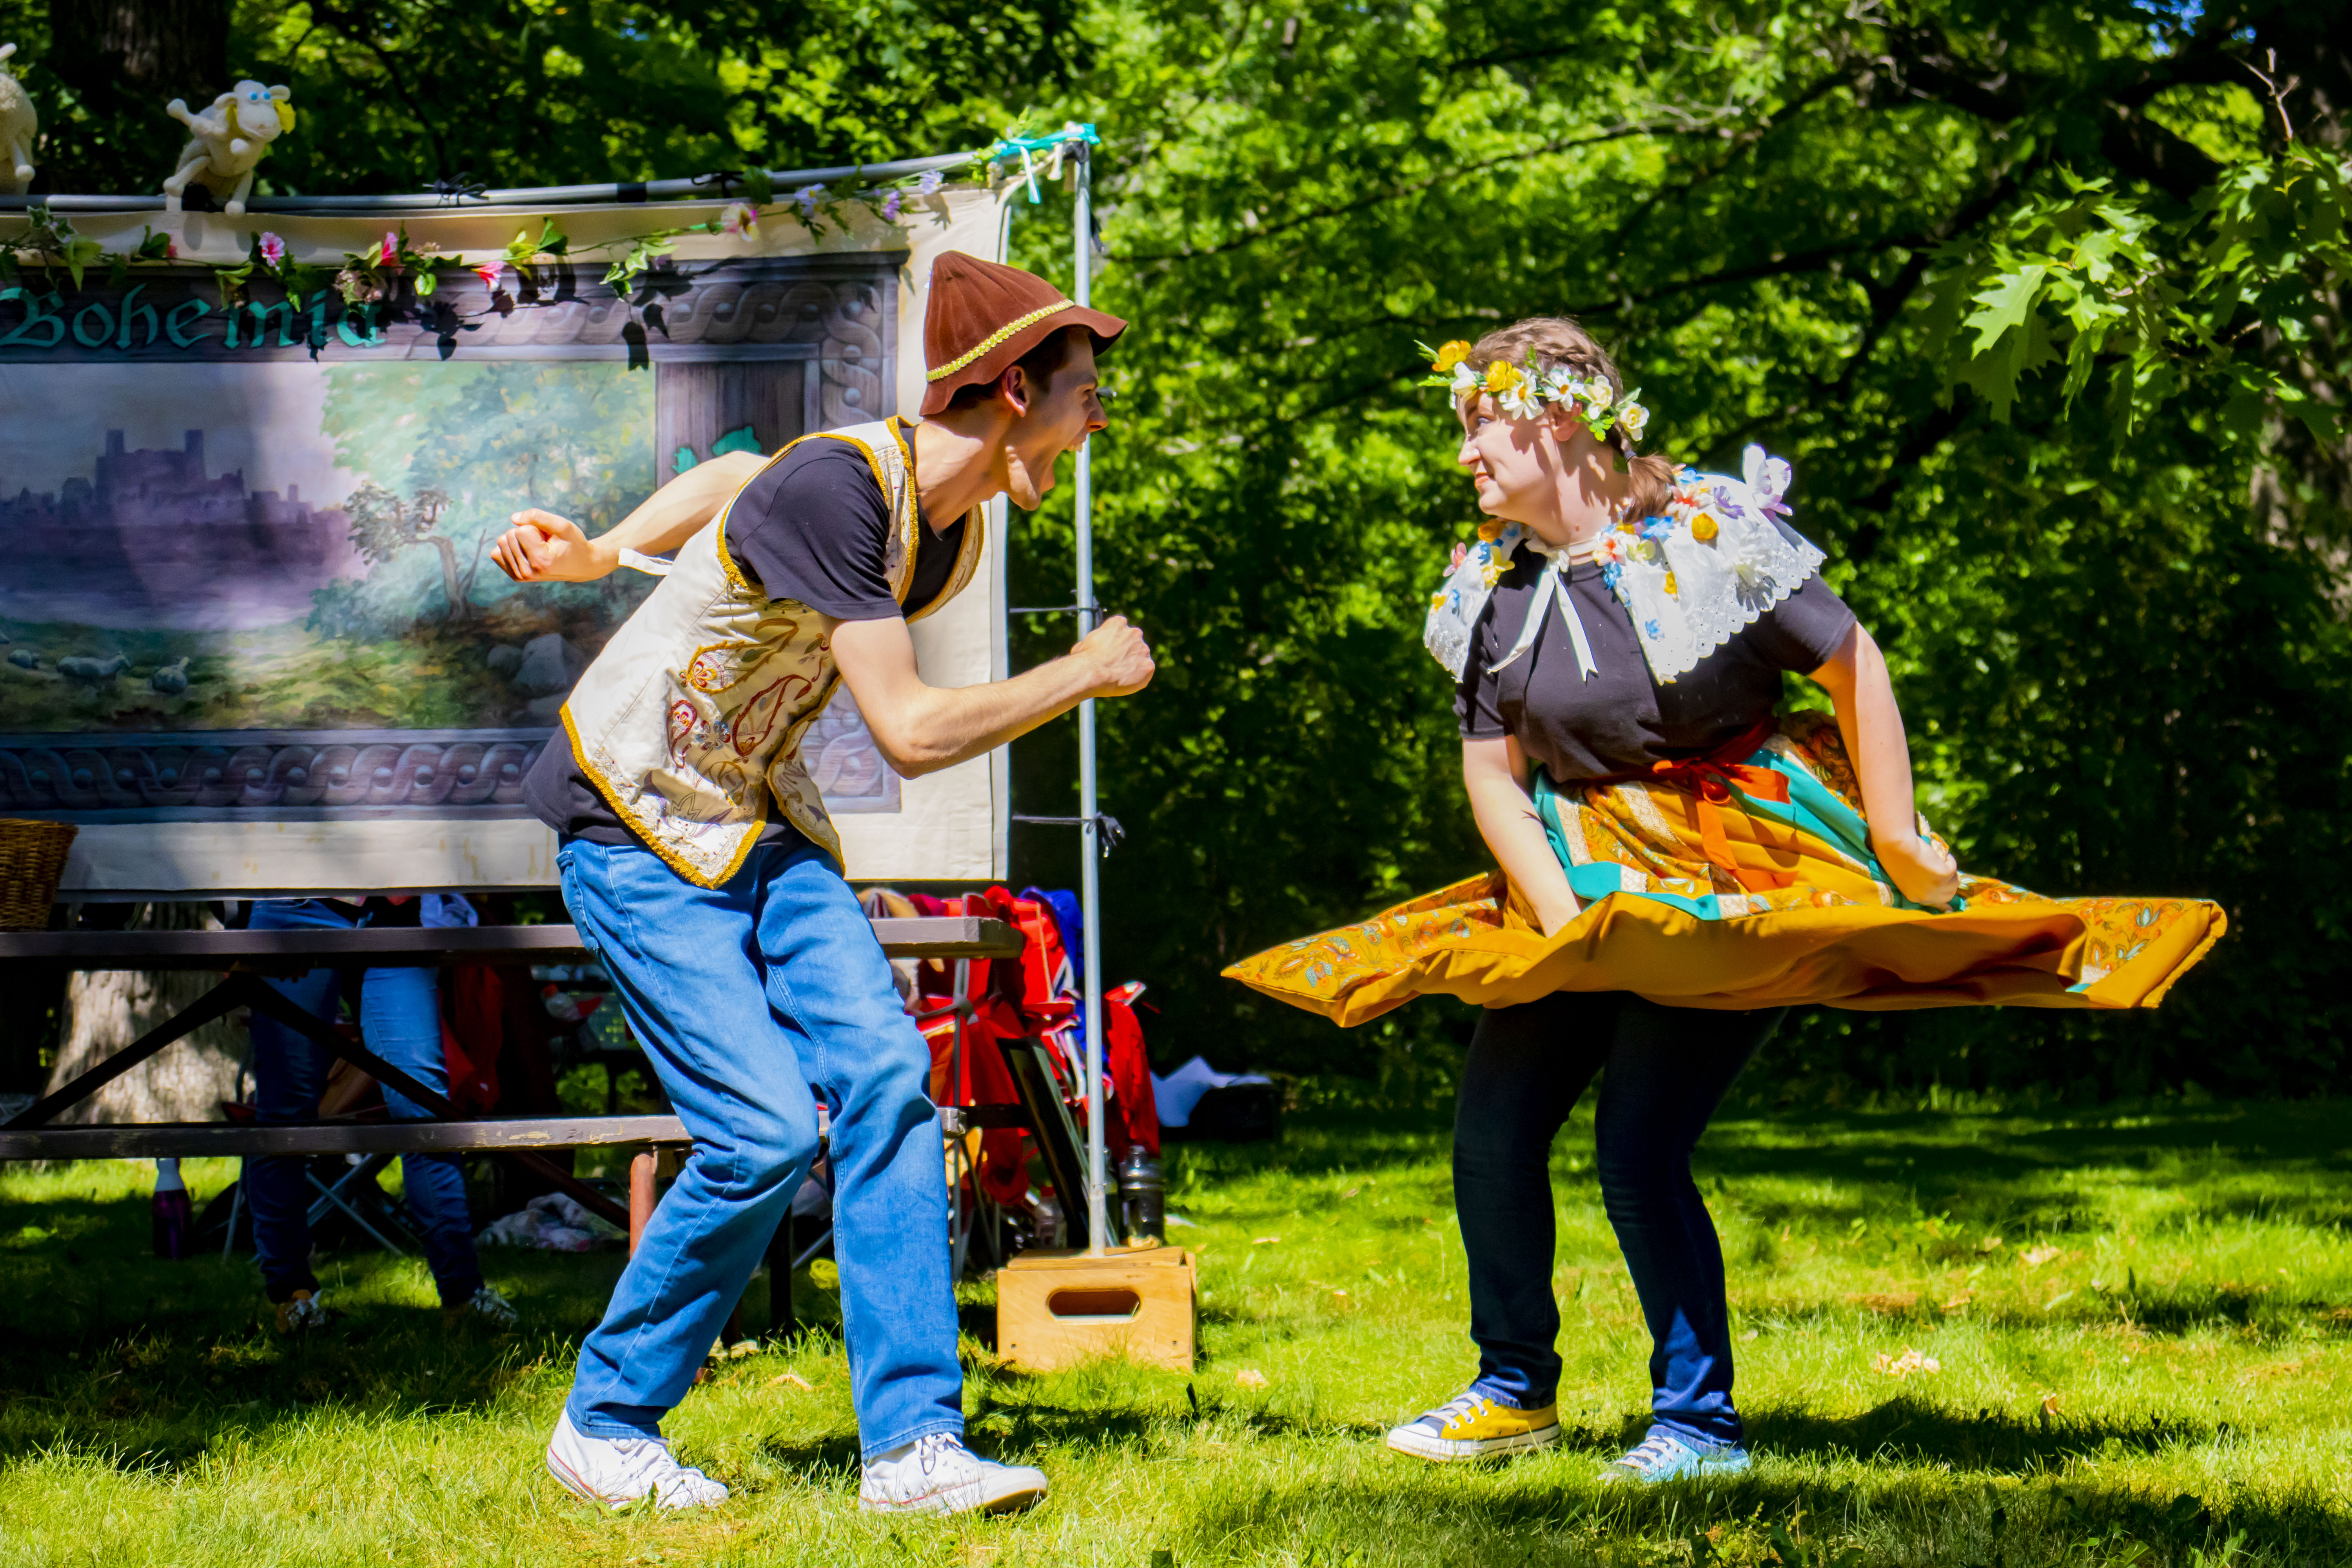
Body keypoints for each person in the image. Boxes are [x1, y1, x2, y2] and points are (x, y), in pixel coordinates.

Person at [1224, 318, 2224, 1483]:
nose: (1464, 454)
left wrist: (1898, 838)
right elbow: (1491, 775)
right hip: (1578, 878)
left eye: (1479, 425)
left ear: (1560, 421)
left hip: (1730, 879)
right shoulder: (1491, 587)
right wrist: (1566, 926)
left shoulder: (1706, 538)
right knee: (1491, 1134)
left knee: (1637, 1148)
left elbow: (1852, 661)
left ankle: (1696, 1424)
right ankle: (1513, 1391)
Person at [489, 251, 1152, 1514]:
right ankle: (606, 1421)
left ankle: (912, 1449)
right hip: (631, 817)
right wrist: (1077, 674)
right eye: (1087, 396)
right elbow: (906, 729)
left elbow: (737, 475)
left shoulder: (942, 530)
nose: (1096, 424)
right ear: (1016, 389)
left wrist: (605, 549)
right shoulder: (848, 486)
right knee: (761, 1134)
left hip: (756, 820)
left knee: (888, 1081)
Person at [242, 895, 516, 1332]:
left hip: (394, 907)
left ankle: (464, 1296)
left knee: (424, 1109)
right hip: (295, 902)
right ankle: (293, 1299)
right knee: (286, 1109)